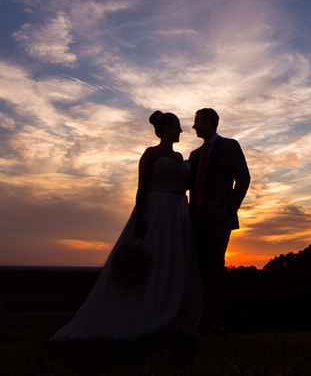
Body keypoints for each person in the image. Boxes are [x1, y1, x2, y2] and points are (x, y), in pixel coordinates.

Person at [51, 111, 202, 340]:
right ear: (166, 129)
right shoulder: (150, 154)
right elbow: (142, 188)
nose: (181, 131)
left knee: (173, 262)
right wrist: (141, 221)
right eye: (176, 126)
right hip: (157, 211)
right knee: (155, 260)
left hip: (178, 215)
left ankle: (172, 312)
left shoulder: (181, 158)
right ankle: (144, 314)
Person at [188, 108, 250, 334]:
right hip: (196, 220)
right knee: (198, 271)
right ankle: (197, 320)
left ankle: (214, 324)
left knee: (214, 269)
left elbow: (243, 178)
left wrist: (228, 209)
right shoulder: (194, 155)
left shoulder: (230, 146)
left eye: (197, 122)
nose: (194, 127)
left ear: (210, 122)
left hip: (219, 220)